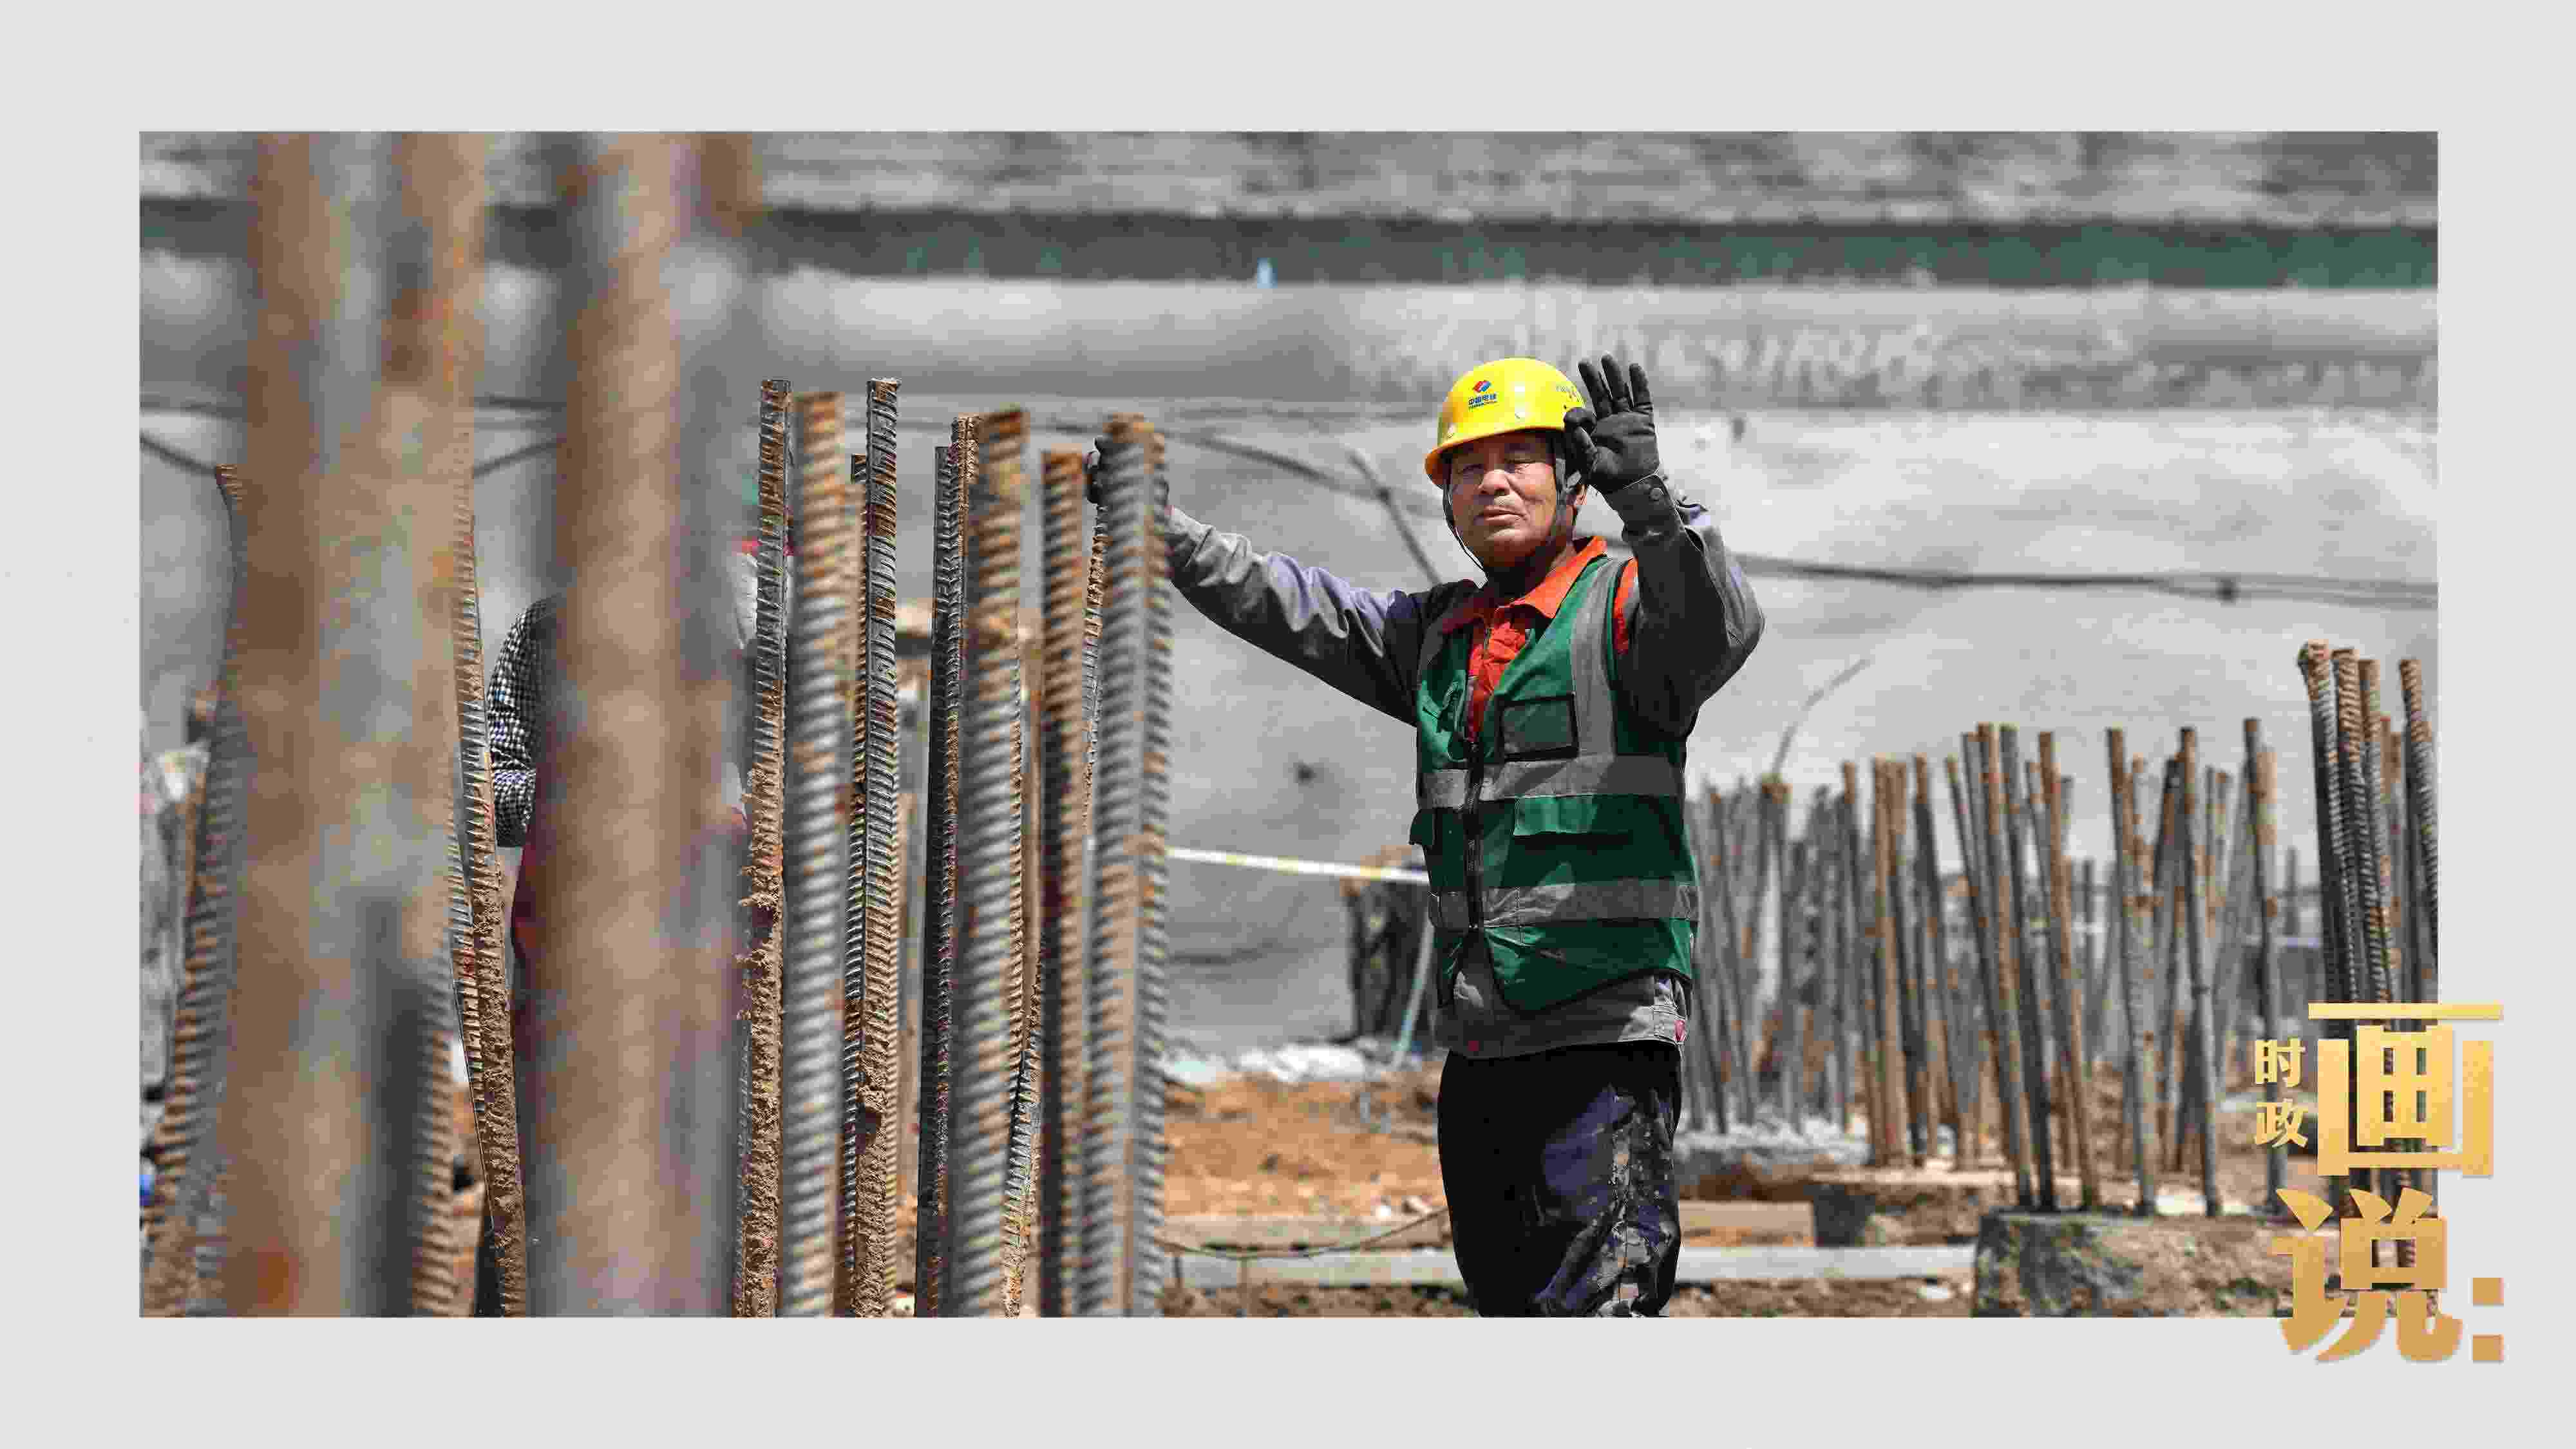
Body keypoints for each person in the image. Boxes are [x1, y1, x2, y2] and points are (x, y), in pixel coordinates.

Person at [1088, 356, 1763, 1316]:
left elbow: (1716, 629)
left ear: (1574, 478)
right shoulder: (1443, 638)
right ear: (1445, 498)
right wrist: (1165, 537)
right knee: (1508, 1307)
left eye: (1519, 460)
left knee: (1599, 1311)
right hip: (1483, 1054)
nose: (1492, 483)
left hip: (1601, 1043)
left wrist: (1650, 504)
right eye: (1468, 467)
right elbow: (1295, 606)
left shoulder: (1628, 613)